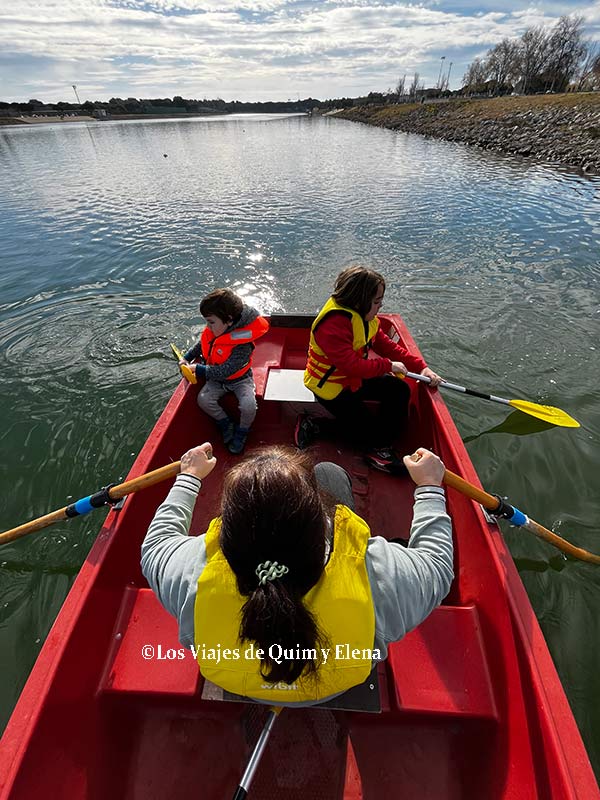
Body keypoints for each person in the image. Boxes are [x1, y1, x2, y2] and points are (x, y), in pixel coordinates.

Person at [141, 443, 453, 706]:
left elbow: (155, 545)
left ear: (229, 527)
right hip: (333, 686)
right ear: (319, 520)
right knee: (329, 475)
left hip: (240, 683)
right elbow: (438, 566)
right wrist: (429, 488)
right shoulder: (374, 571)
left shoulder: (194, 571)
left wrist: (189, 477)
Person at [299, 266, 443, 474]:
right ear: (359, 301)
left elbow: (385, 345)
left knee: (399, 390)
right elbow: (351, 365)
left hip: (353, 379)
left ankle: (381, 441)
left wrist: (422, 368)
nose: (381, 305)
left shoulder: (363, 316)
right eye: (377, 301)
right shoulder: (333, 325)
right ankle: (316, 425)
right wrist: (388, 365)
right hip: (331, 388)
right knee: (366, 432)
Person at [179, 288, 269, 455]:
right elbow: (201, 345)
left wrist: (198, 369)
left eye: (211, 322)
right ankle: (225, 422)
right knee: (203, 400)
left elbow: (226, 370)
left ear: (228, 320)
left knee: (249, 406)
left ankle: (242, 432)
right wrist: (187, 357)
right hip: (217, 380)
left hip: (240, 380)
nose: (208, 326)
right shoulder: (215, 330)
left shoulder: (242, 344)